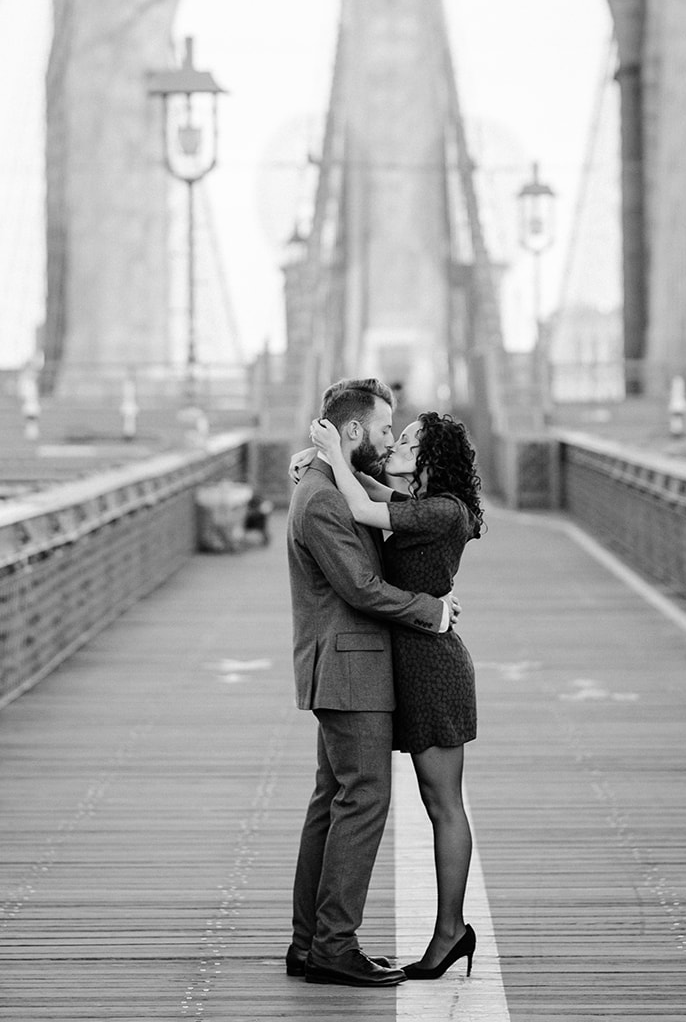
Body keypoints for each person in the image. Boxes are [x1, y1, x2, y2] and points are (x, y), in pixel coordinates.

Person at [286, 377, 458, 989]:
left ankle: (309, 943)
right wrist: (430, 610)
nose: (389, 440)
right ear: (355, 430)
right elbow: (359, 586)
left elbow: (377, 497)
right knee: (362, 803)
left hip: (341, 668)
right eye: (385, 429)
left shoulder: (332, 482)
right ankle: (334, 946)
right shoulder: (327, 499)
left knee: (329, 805)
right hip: (351, 670)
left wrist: (326, 459)